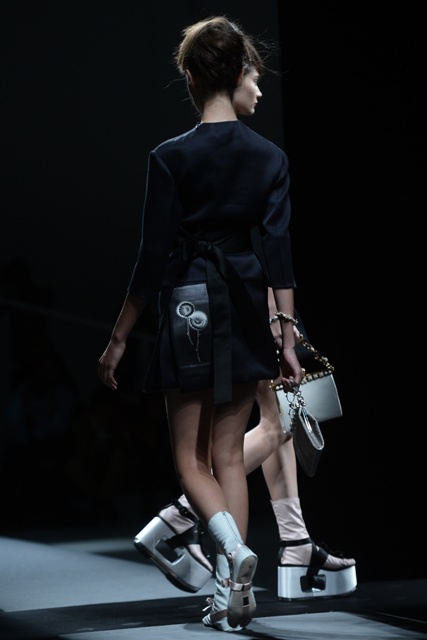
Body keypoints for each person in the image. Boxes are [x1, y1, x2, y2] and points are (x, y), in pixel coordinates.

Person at [98, 16, 304, 631]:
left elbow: (151, 255)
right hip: (243, 301)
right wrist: (287, 336)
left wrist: (118, 338)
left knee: (191, 460)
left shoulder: (169, 157)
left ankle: (233, 558)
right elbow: (279, 253)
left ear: (190, 76)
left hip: (189, 303)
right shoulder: (269, 157)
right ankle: (233, 596)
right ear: (238, 72)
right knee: (227, 455)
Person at [134, 301, 357, 603]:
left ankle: (295, 541)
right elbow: (271, 267)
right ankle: (183, 514)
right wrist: (275, 312)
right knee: (281, 421)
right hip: (262, 305)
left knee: (280, 416)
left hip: (248, 304)